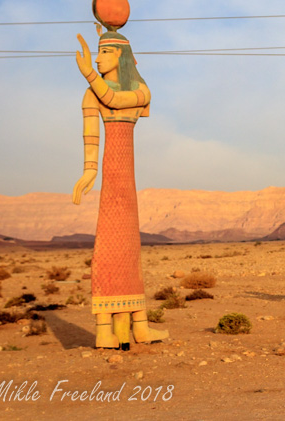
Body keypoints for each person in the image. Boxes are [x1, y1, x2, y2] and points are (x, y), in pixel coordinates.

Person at [73, 30, 168, 349]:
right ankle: (104, 331)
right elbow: (91, 138)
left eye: (103, 53)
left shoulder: (140, 90)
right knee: (109, 245)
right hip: (112, 176)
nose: (97, 59)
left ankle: (138, 328)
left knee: (129, 246)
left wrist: (88, 72)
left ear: (120, 55)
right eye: (96, 55)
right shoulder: (91, 94)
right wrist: (89, 171)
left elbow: (114, 99)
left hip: (126, 178)